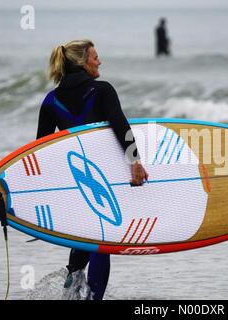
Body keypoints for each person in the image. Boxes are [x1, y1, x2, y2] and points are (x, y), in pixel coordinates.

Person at [37, 39, 148, 300]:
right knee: (101, 240)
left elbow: (40, 150)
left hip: (73, 180)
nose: (100, 61)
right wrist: (135, 163)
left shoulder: (51, 101)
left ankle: (72, 292)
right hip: (103, 179)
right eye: (95, 57)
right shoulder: (102, 91)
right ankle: (93, 298)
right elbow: (122, 128)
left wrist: (43, 190)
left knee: (85, 236)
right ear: (82, 63)